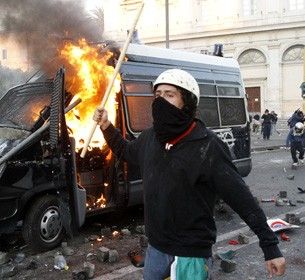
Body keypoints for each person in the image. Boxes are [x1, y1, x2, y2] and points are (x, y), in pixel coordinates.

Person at [93, 69, 285, 279]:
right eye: (158, 95)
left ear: (187, 102)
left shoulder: (208, 146)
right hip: (156, 249)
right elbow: (125, 150)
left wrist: (270, 247)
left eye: (170, 95)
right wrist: (106, 126)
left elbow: (242, 199)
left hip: (191, 255)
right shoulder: (150, 138)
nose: (161, 101)